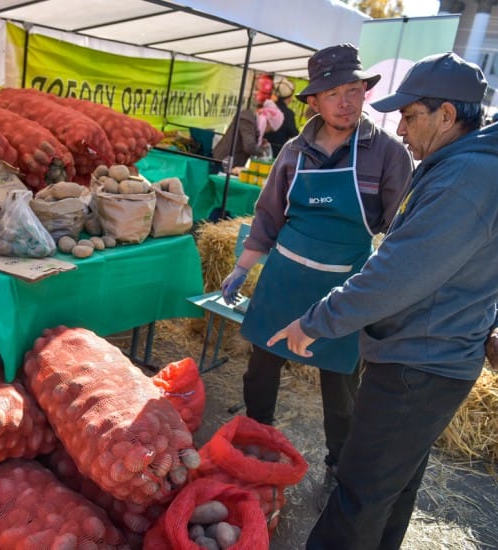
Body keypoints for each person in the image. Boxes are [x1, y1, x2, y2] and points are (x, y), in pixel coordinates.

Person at [267, 52, 498, 548]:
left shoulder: (467, 176)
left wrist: (315, 322)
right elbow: (489, 266)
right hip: (432, 359)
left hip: (417, 364)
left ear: (447, 115)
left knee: (358, 495)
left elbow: (395, 274)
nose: (402, 129)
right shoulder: (479, 168)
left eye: (410, 116)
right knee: (392, 489)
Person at [219, 43, 413, 507]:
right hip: (285, 276)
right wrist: (242, 268)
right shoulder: (293, 150)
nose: (346, 101)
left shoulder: (387, 154)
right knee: (260, 369)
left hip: (343, 285)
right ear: (313, 102)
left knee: (340, 385)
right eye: (333, 93)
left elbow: (402, 226)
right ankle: (256, 438)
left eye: (354, 90)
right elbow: (268, 216)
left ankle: (337, 464)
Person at [212, 99, 284, 172]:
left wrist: (259, 142)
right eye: (270, 129)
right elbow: (249, 146)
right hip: (223, 161)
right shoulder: (247, 120)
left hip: (231, 162)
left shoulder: (252, 122)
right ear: (268, 122)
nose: (267, 131)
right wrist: (262, 153)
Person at [264, 78, 300, 157]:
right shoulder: (288, 113)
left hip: (263, 150)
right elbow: (294, 133)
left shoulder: (267, 107)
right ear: (289, 98)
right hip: (278, 152)